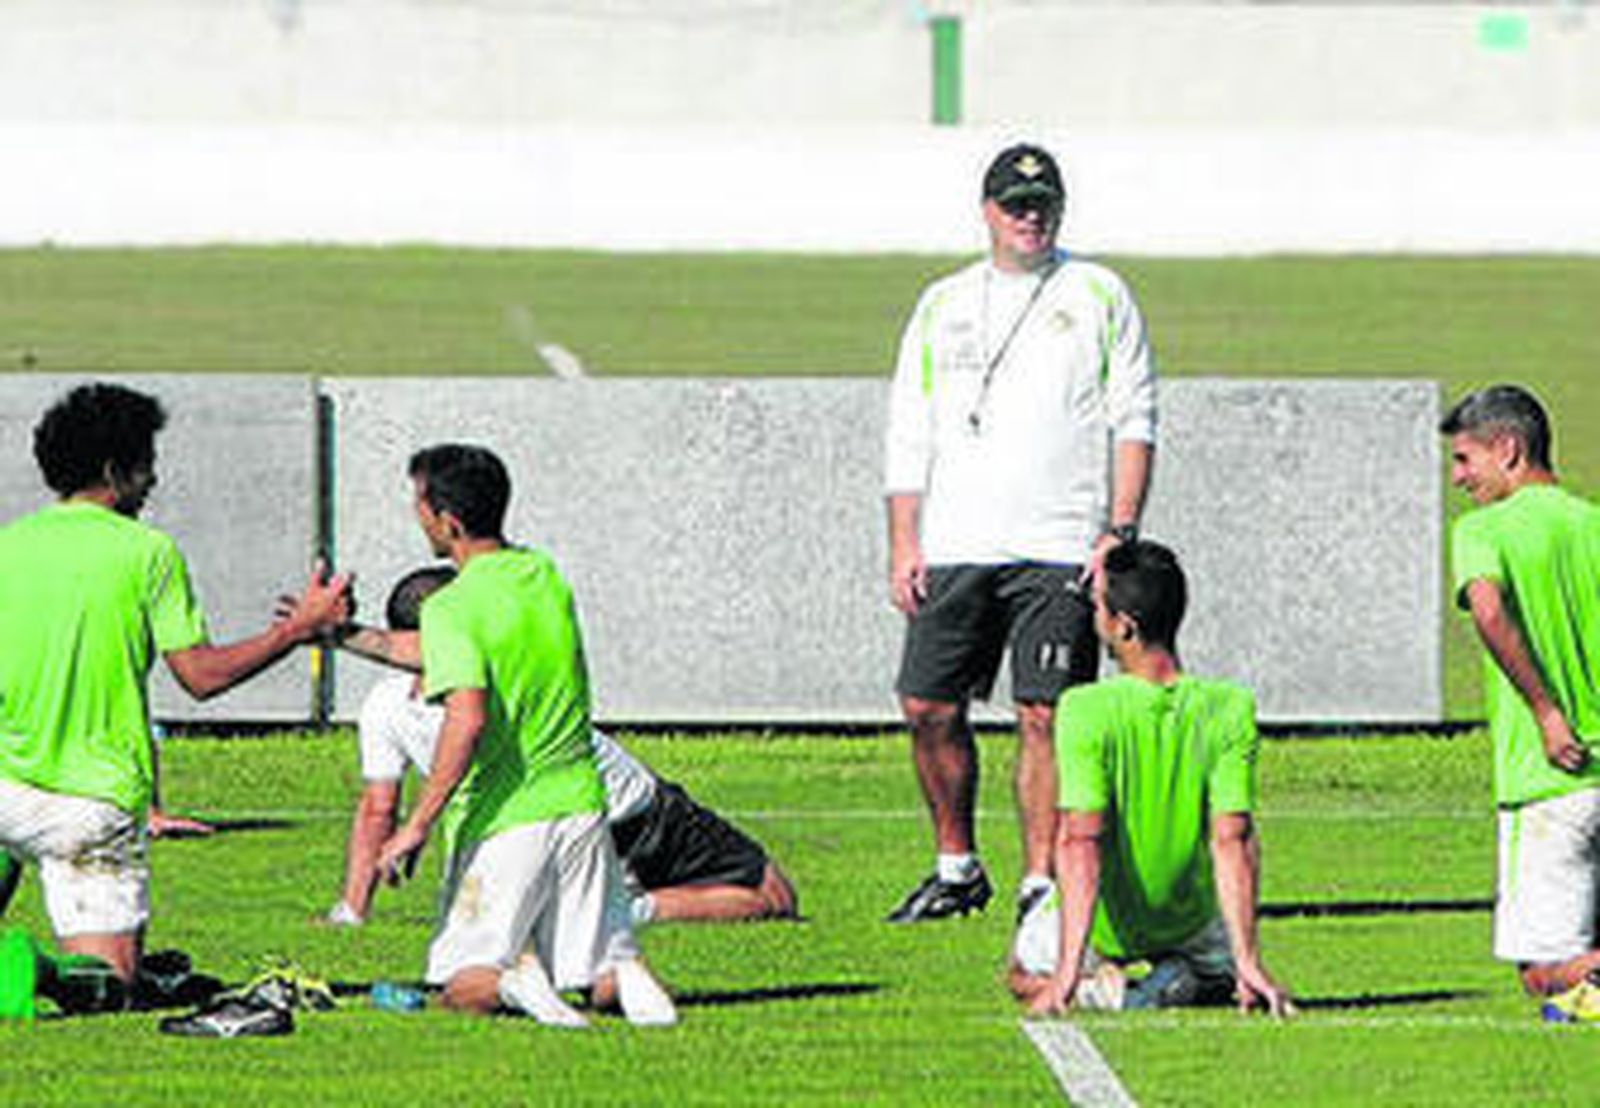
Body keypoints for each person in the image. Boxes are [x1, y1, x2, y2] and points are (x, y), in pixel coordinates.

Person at [882, 142, 1157, 926]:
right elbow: (909, 429)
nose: (1029, 218)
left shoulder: (1100, 293)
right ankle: (956, 865)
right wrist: (906, 540)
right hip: (958, 539)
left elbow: (1133, 416)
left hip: (1062, 544)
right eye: (1015, 205)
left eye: (1042, 205)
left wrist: (1120, 529)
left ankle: (1041, 881)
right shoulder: (942, 303)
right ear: (987, 212)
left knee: (1046, 713)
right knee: (927, 706)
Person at [0, 382, 349, 995]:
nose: (154, 479)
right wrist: (299, 629)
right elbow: (201, 677)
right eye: (147, 464)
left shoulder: (9, 547)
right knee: (111, 983)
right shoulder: (149, 553)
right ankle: (45, 977)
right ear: (116, 470)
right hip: (93, 806)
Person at [366, 444, 676, 1028]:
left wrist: (416, 825)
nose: (416, 515)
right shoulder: (543, 575)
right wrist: (345, 635)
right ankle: (630, 976)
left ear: (447, 521)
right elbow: (446, 651)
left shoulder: (452, 606)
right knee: (599, 970)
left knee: (458, 984)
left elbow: (468, 717)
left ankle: (512, 980)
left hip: (507, 819)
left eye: (419, 504)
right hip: (582, 808)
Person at [325, 566, 797, 929]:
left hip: (534, 840)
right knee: (773, 895)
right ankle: (626, 911)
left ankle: (596, 906)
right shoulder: (502, 669)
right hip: (630, 813)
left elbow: (376, 810)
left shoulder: (384, 704)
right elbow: (462, 714)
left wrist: (353, 910)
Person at [1010, 540, 1291, 1016]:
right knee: (1220, 980)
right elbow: (1232, 839)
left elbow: (1080, 841)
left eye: (1098, 604)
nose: (1093, 615)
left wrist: (1064, 973)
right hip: (1190, 920)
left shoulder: (1084, 708)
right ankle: (1179, 978)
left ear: (1124, 626)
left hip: (1106, 921)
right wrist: (1248, 961)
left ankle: (1101, 992)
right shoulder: (1230, 706)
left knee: (1019, 975)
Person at [1440, 385, 1600, 1023]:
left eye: (1464, 460)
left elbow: (1486, 607)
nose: (1457, 479)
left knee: (1541, 973)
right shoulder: (1593, 524)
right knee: (1574, 988)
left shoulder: (1482, 529)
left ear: (1508, 449)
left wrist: (1545, 711)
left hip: (1547, 779)